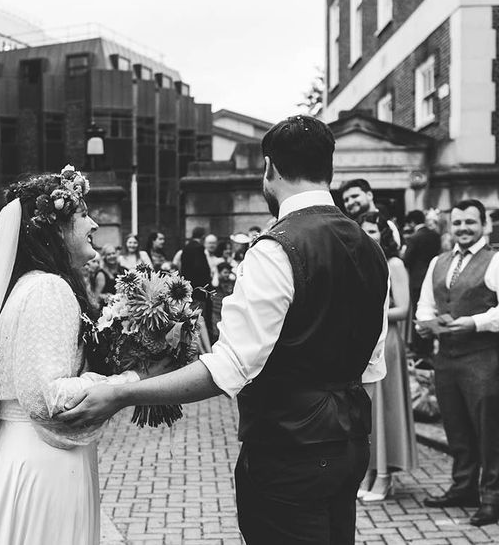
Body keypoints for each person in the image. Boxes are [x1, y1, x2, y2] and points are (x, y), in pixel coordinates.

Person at [61, 115, 389, 545]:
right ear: (329, 169)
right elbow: (371, 367)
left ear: (269, 168)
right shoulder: (372, 250)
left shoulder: (276, 249)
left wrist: (122, 392)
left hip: (288, 451)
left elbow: (231, 367)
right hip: (349, 446)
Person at [0, 167, 156, 544]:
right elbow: (47, 398)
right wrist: (134, 379)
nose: (94, 223)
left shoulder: (28, 286)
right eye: (83, 214)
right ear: (55, 227)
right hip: (43, 461)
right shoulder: (49, 290)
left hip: (28, 451)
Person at [416, 199, 499, 527]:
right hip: (446, 357)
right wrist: (425, 321)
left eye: (471, 223)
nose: (464, 228)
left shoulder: (495, 261)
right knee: (456, 425)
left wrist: (475, 323)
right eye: (459, 223)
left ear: (485, 226)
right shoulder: (439, 261)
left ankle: (492, 497)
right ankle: (463, 487)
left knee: (488, 428)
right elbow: (425, 304)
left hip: (483, 358)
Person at [357, 212, 417, 502]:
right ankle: (369, 472)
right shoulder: (362, 263)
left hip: (388, 341)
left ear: (384, 234)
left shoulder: (394, 264)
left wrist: (370, 314)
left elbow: (404, 308)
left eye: (372, 230)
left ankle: (384, 476)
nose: (367, 235)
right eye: (363, 230)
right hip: (364, 342)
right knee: (368, 410)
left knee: (386, 406)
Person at [404, 210, 442, 357]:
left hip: (417, 280)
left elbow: (407, 259)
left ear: (412, 222)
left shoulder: (414, 238)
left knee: (419, 314)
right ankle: (430, 346)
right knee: (432, 311)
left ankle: (419, 349)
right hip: (434, 276)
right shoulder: (435, 235)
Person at [339, 178, 401, 246]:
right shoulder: (345, 227)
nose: (350, 202)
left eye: (354, 196)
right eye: (346, 200)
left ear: (369, 195)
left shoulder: (389, 225)